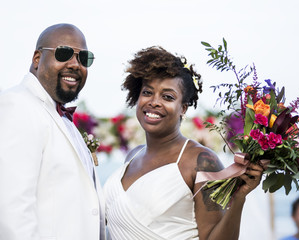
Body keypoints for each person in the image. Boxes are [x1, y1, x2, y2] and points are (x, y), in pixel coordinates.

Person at [103, 46, 264, 240]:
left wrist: (239, 199)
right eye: (147, 92)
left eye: (168, 97)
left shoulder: (201, 161)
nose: (154, 102)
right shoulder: (132, 155)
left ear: (183, 108)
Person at [0, 23, 105, 240]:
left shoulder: (59, 117)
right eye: (64, 53)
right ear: (37, 59)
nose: (75, 65)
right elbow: (12, 211)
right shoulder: (18, 106)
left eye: (83, 58)